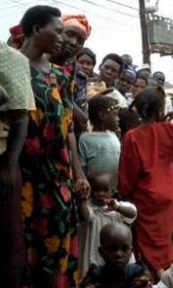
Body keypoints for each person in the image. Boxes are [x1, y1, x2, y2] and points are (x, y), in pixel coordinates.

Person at [19, 5, 90, 287]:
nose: (64, 39)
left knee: (59, 246)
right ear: (37, 30)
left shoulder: (61, 76)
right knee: (24, 246)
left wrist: (79, 173)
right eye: (58, 31)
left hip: (59, 178)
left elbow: (69, 127)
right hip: (24, 175)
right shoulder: (10, 67)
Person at [118, 87, 173, 280]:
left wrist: (124, 192)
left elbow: (128, 173)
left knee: (147, 242)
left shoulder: (132, 136)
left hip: (145, 195)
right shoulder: (169, 129)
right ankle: (168, 277)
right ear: (160, 110)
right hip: (168, 194)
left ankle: (160, 280)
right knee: (166, 240)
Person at [0, 41, 35, 288]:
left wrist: (9, 165)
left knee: (7, 249)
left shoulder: (10, 58)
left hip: (2, 159)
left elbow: (19, 113)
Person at [78, 171, 137, 277]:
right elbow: (85, 217)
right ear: (89, 190)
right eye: (96, 190)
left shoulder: (116, 206)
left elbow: (133, 213)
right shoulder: (89, 208)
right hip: (94, 251)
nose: (101, 194)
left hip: (118, 252)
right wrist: (82, 200)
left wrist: (118, 207)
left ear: (113, 191)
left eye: (105, 190)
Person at [79, 223, 153, 288]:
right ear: (101, 251)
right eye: (112, 249)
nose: (118, 254)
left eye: (124, 249)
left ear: (131, 252)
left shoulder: (140, 278)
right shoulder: (93, 278)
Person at [79, 96, 121, 188]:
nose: (118, 119)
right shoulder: (85, 139)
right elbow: (82, 168)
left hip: (113, 190)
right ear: (102, 115)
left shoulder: (114, 136)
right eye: (115, 114)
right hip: (95, 192)